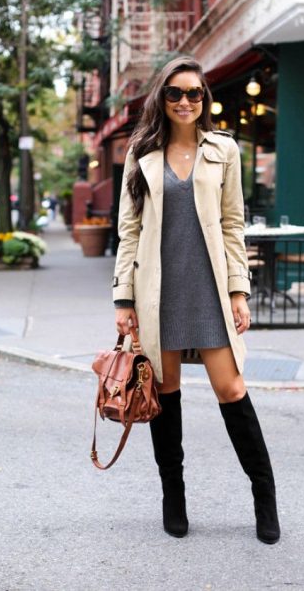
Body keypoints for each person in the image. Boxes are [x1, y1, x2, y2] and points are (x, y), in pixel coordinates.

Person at [113, 56, 280, 545]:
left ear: (204, 100)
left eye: (194, 93)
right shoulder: (140, 153)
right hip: (156, 292)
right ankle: (174, 496)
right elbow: (129, 229)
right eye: (175, 93)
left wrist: (238, 290)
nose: (185, 101)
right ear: (161, 99)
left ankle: (265, 496)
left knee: (231, 390)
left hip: (208, 289)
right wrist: (123, 298)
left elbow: (233, 225)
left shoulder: (224, 150)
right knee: (164, 395)